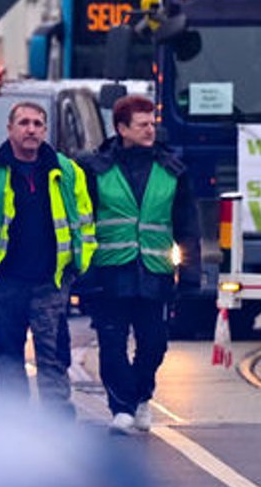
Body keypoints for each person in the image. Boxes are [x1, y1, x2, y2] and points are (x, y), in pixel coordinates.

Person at [0, 101, 95, 415]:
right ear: (10, 128)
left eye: (38, 124)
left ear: (45, 130)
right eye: (24, 123)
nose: (31, 130)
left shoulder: (67, 171)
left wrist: (77, 264)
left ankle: (56, 418)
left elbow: (84, 221)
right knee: (6, 354)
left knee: (54, 352)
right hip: (4, 282)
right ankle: (13, 421)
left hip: (50, 281)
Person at [77, 95, 199, 436]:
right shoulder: (95, 169)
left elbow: (187, 226)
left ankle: (142, 395)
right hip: (109, 273)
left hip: (155, 274)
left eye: (152, 123)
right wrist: (81, 271)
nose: (150, 130)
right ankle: (122, 408)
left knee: (154, 344)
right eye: (142, 124)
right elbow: (82, 221)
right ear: (122, 129)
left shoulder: (172, 170)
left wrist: (190, 275)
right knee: (112, 343)